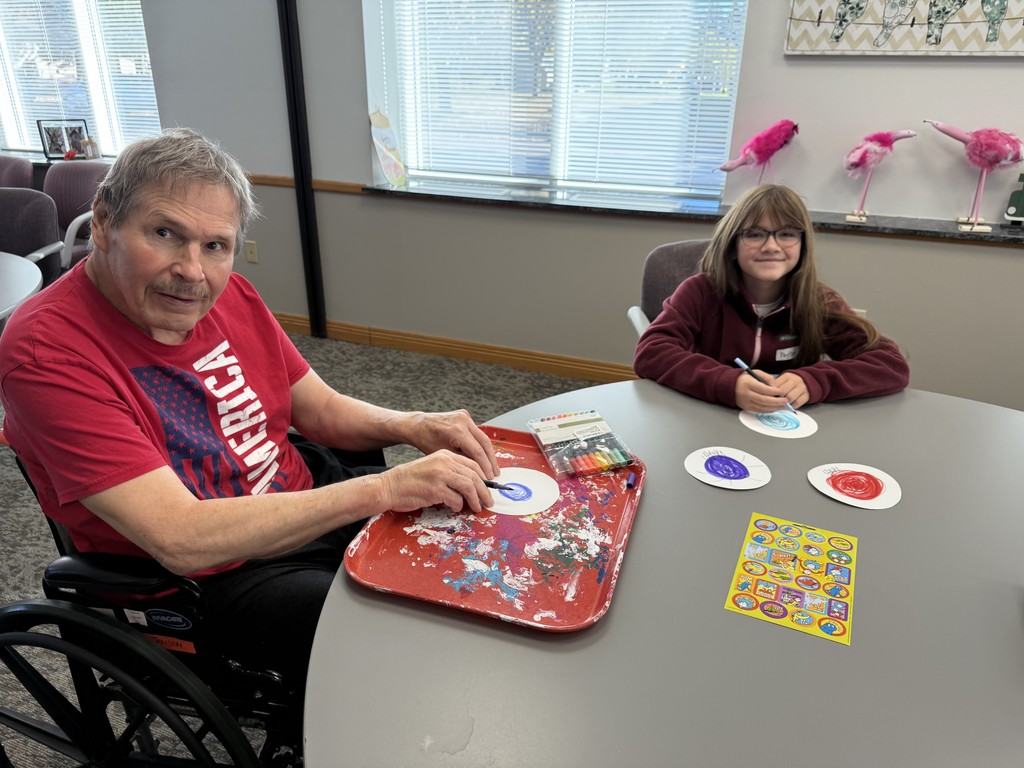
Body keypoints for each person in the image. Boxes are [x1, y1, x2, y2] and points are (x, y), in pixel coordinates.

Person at [0, 128, 502, 700]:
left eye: (216, 245)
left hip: (300, 498)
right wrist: (383, 489)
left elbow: (322, 410)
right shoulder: (46, 351)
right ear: (103, 221)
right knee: (406, 636)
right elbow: (180, 538)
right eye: (165, 234)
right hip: (211, 577)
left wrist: (414, 424)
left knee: (468, 548)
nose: (193, 271)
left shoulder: (230, 295)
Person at [633, 184, 909, 412]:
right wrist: (726, 383)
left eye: (787, 233)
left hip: (785, 421)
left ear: (802, 246)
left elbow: (891, 365)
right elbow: (651, 352)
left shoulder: (818, 301)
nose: (771, 246)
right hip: (707, 413)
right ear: (731, 246)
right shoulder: (700, 290)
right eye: (754, 234)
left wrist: (814, 380)